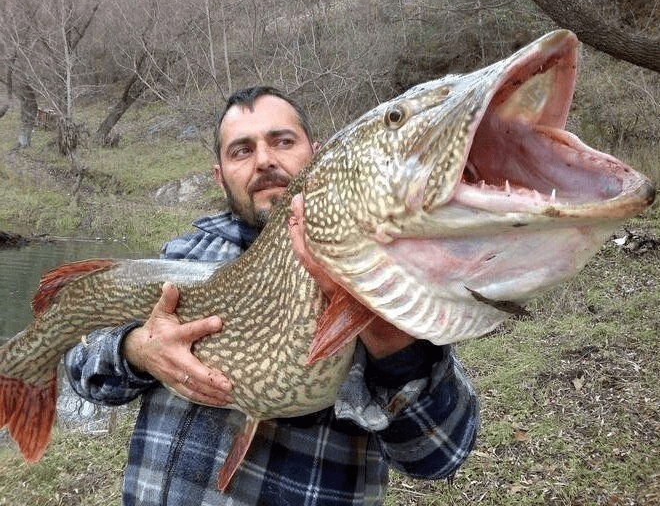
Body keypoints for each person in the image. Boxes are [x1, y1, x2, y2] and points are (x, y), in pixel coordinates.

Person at [64, 86, 480, 505]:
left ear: (316, 154)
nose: (264, 160)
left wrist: (390, 342)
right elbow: (79, 365)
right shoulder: (181, 256)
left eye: (283, 141)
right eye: (241, 151)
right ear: (220, 174)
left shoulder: (377, 260)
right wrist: (136, 349)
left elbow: (440, 453)